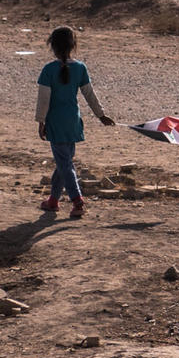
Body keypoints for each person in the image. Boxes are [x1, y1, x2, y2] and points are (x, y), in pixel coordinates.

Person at [34, 25, 114, 219]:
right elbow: (90, 95)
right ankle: (53, 200)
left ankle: (77, 200)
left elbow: (44, 99)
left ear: (52, 46)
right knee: (64, 162)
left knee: (65, 164)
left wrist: (41, 121)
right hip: (73, 121)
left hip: (56, 122)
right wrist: (100, 115)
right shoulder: (80, 68)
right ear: (73, 46)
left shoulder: (48, 70)